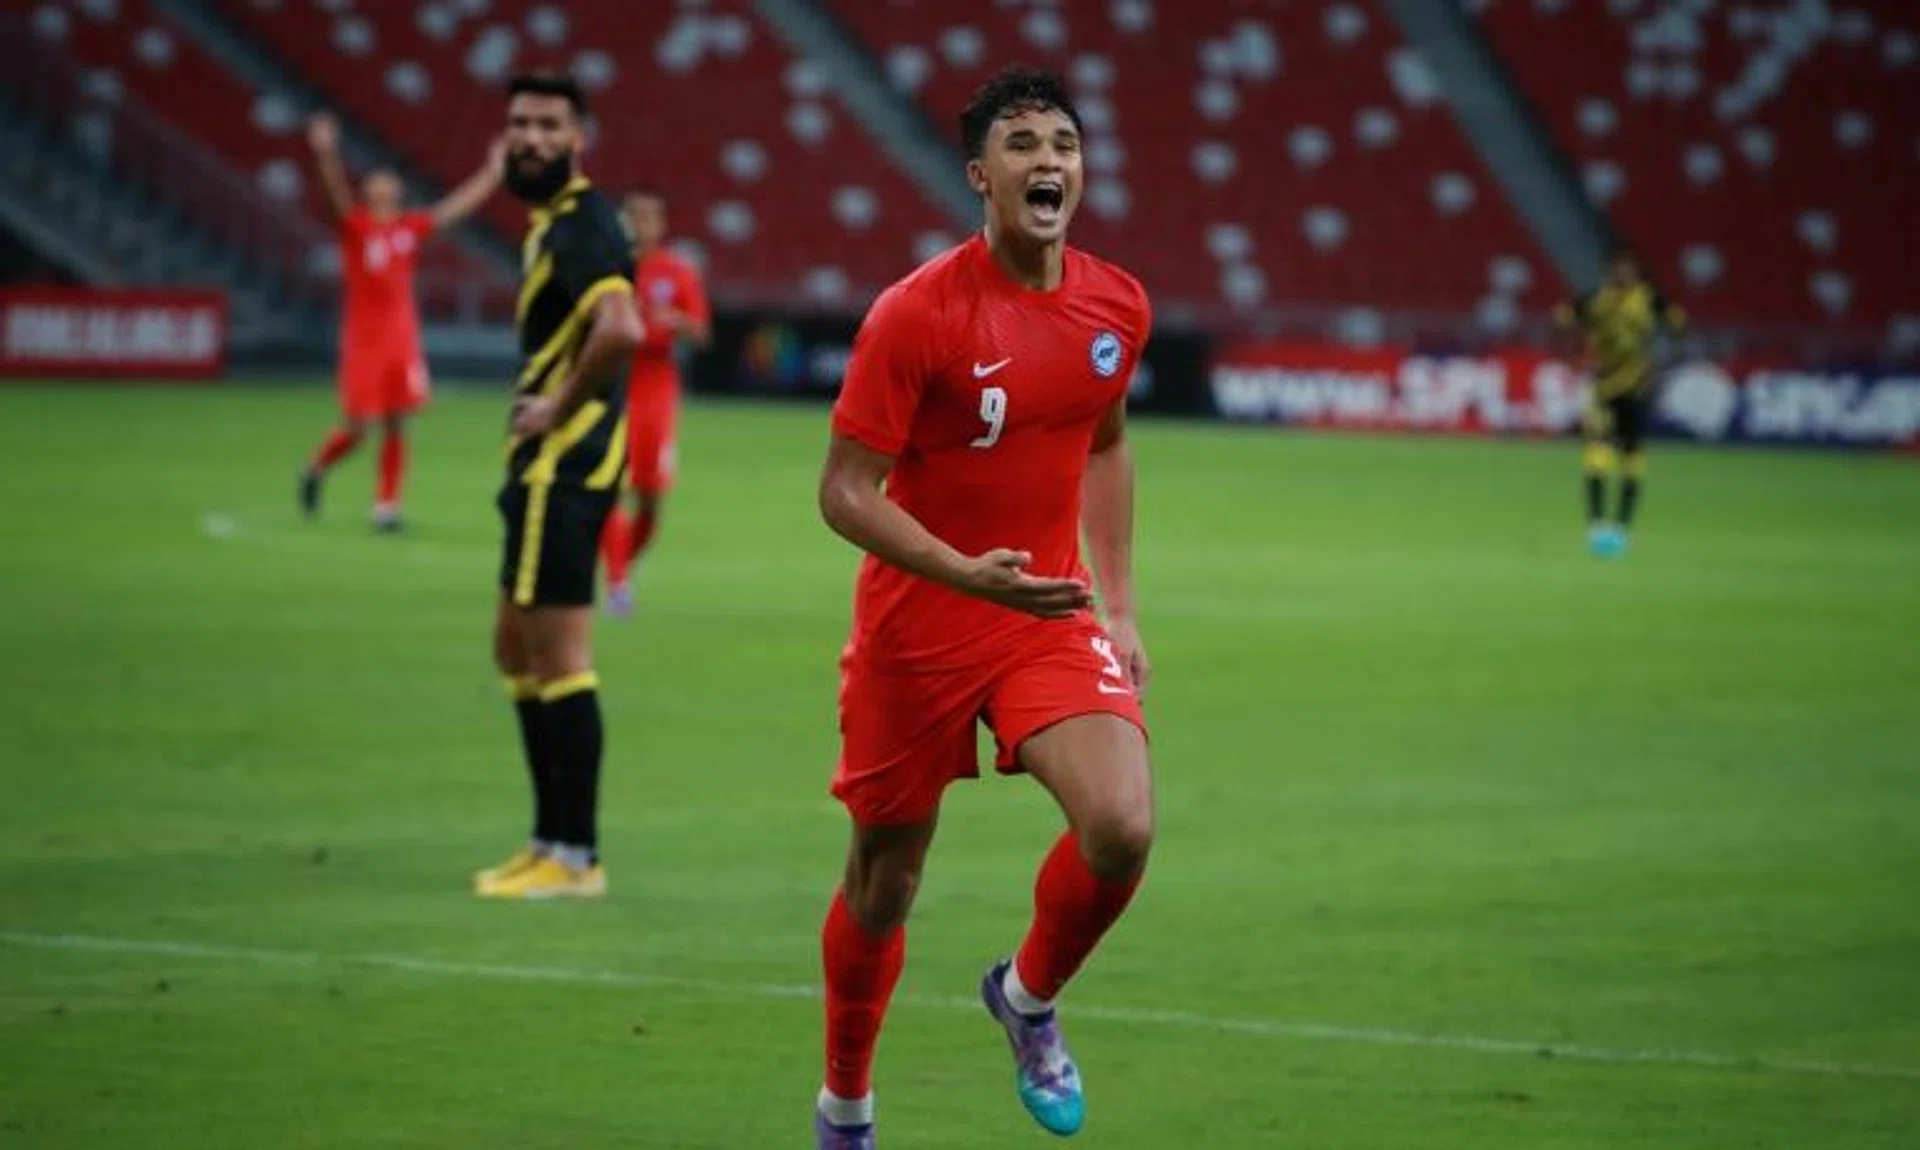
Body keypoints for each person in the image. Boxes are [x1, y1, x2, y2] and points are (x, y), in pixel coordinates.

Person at [811, 67, 1155, 1148]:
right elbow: (844, 492)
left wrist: (1120, 606)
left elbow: (1105, 443)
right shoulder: (918, 313)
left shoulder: (1117, 305)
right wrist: (966, 573)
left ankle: (1027, 998)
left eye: (1064, 143)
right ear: (980, 176)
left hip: (1042, 611)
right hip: (918, 626)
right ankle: (846, 1108)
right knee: (885, 882)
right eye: (1021, 143)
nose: (1048, 160)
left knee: (1122, 827)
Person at [472, 73, 643, 899]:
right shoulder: (553, 225)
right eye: (520, 124)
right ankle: (547, 840)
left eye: (547, 125)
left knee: (561, 656)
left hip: (564, 468)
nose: (531, 139)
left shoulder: (582, 224)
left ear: (578, 138)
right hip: (542, 469)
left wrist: (555, 409)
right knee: (513, 647)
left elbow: (623, 328)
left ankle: (575, 856)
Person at [297, 112, 502, 531]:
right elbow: (335, 197)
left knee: (397, 421)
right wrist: (326, 154)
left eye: (388, 182)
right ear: (368, 189)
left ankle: (386, 507)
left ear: (397, 189)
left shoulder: (410, 228)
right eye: (376, 182)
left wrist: (492, 174)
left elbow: (452, 211)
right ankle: (316, 467)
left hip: (399, 339)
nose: (382, 187)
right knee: (358, 426)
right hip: (362, 340)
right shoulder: (356, 227)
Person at [599, 186, 712, 615]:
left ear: (662, 224)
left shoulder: (677, 271)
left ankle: (619, 566)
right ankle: (617, 583)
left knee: (649, 495)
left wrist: (679, 322)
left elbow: (701, 334)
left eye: (650, 216)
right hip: (610, 384)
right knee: (609, 485)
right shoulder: (604, 266)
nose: (641, 224)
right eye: (634, 215)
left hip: (656, 389)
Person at [1556, 247, 1685, 557]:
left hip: (1637, 391)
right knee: (1596, 456)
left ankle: (1623, 527)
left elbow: (1679, 326)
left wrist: (1662, 367)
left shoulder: (1649, 300)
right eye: (1618, 269)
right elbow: (1561, 319)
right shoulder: (1595, 300)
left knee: (1632, 459)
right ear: (1609, 272)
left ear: (1636, 272)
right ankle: (1596, 526)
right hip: (1602, 390)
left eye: (1628, 269)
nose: (1623, 274)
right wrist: (1574, 355)